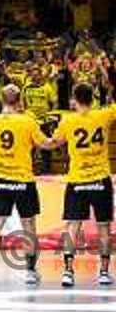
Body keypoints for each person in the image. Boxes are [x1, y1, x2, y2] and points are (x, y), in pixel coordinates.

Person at [0, 85, 56, 286]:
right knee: (28, 224)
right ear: (20, 100)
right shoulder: (27, 122)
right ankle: (30, 270)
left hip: (0, 179)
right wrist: (59, 137)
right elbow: (46, 144)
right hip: (23, 180)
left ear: (2, 100)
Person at [50, 83, 116, 287]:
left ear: (74, 99)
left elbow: (54, 142)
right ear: (93, 98)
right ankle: (104, 272)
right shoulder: (104, 115)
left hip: (77, 180)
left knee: (72, 226)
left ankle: (68, 271)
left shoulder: (67, 120)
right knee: (104, 227)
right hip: (100, 179)